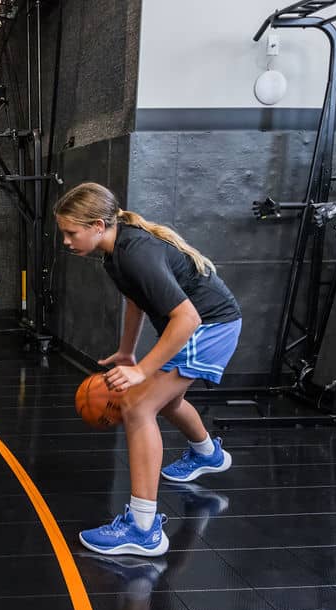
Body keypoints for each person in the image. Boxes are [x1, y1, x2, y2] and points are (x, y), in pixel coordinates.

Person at [54, 183, 242, 557]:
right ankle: (208, 455)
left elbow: (186, 318)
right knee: (166, 402)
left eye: (71, 232)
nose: (65, 241)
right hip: (203, 324)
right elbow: (137, 301)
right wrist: (127, 352)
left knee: (138, 406)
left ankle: (143, 529)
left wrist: (142, 371)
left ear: (96, 225)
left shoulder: (136, 252)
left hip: (208, 326)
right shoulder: (114, 253)